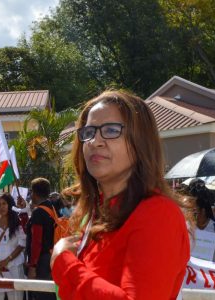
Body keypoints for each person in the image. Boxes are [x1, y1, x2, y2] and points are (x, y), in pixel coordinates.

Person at [51, 91, 190, 299]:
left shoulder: (158, 213)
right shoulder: (95, 214)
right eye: (89, 132)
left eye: (111, 130)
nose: (94, 141)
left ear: (140, 142)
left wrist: (65, 263)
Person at [0, 194, 26, 300]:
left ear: (9, 205)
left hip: (14, 266)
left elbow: (22, 243)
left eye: (4, 204)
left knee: (16, 297)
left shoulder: (18, 221)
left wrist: (7, 260)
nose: (1, 207)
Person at [25, 177, 57, 299]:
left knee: (41, 294)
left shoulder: (38, 212)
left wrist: (33, 266)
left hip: (42, 262)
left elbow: (36, 242)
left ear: (34, 193)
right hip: (53, 257)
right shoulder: (53, 208)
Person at [185, 179, 215, 262]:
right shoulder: (186, 227)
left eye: (195, 211)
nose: (191, 214)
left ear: (203, 211)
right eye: (190, 210)